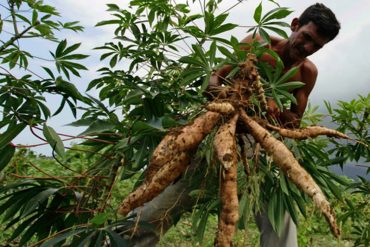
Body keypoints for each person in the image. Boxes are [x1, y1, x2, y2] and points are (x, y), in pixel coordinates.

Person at [126, 3, 340, 247]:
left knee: (280, 218)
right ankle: (120, 240)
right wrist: (236, 98)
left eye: (317, 46)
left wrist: (272, 107)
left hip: (262, 148)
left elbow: (295, 123)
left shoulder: (307, 73)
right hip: (220, 132)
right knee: (165, 202)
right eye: (307, 37)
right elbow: (212, 81)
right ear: (295, 25)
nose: (308, 48)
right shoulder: (259, 43)